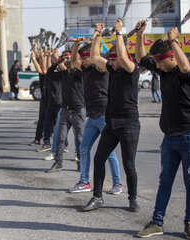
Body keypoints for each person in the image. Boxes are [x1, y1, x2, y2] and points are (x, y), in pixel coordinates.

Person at [134, 21, 190, 239]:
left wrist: (174, 41)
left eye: (160, 62)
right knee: (165, 180)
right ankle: (157, 222)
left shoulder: (188, 74)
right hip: (169, 137)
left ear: (172, 56)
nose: (156, 66)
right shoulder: (163, 70)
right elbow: (140, 58)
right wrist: (139, 34)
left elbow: (185, 67)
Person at [80, 20, 140, 212]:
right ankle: (97, 197)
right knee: (99, 158)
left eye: (113, 60)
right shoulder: (112, 70)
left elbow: (122, 56)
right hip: (112, 124)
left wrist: (119, 33)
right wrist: (97, 34)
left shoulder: (132, 70)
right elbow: (95, 55)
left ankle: (132, 198)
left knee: (129, 164)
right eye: (111, 60)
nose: (111, 63)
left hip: (129, 124)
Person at [68, 37, 122, 194]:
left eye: (86, 58)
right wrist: (76, 45)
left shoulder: (101, 67)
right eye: (82, 58)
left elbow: (96, 57)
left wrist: (96, 36)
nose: (83, 61)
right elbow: (73, 62)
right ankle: (84, 182)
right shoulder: (84, 69)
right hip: (92, 117)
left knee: (109, 152)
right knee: (84, 148)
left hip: (104, 115)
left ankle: (117, 183)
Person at [44, 50, 86, 173]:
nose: (67, 61)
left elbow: (80, 67)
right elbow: (49, 74)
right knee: (60, 138)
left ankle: (80, 163)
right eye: (65, 58)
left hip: (78, 111)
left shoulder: (79, 73)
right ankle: (58, 163)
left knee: (79, 139)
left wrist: (74, 60)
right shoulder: (62, 74)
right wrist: (57, 62)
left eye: (69, 58)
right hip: (65, 111)